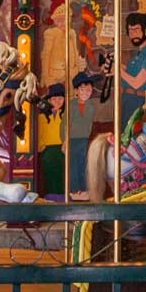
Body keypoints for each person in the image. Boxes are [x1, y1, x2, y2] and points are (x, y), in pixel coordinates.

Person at [66, 70, 99, 198]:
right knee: (72, 165)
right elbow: (65, 124)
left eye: (89, 90)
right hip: (72, 139)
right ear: (76, 91)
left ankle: (85, 189)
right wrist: (65, 140)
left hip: (85, 139)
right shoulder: (71, 105)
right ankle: (74, 190)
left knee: (84, 164)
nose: (86, 93)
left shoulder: (91, 106)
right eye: (83, 90)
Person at [119, 12, 146, 129]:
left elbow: (137, 83)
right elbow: (130, 72)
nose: (133, 34)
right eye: (130, 30)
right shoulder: (138, 54)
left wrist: (119, 71)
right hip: (127, 99)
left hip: (136, 100)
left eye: (137, 29)